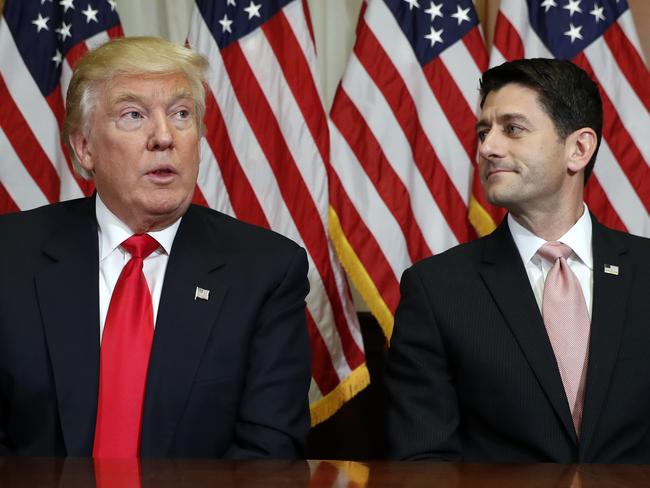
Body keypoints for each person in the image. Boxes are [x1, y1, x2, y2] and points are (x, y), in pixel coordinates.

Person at [0, 37, 311, 459]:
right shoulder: (10, 257)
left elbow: (268, 454)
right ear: (84, 147)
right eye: (134, 115)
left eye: (181, 114)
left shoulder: (266, 271)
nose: (164, 137)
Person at [386, 58, 650, 463]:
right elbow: (424, 461)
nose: (487, 147)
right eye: (483, 131)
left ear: (578, 149)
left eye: (512, 129)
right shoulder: (436, 288)